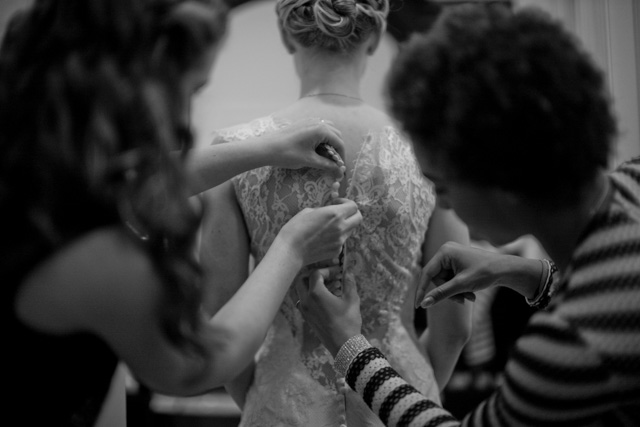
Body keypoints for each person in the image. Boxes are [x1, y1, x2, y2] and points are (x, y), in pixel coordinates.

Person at [2, 0, 362, 425]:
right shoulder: (97, 259)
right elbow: (194, 365)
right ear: (133, 89)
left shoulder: (32, 181)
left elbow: (142, 186)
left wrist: (268, 149)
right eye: (190, 90)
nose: (185, 112)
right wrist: (290, 248)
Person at [296, 4, 640, 426]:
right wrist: (526, 272)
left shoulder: (571, 344)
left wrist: (349, 344)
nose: (442, 205)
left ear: (505, 187)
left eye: (441, 185)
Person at [198, 0, 471, 425]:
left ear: (288, 36)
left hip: (282, 404)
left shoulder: (233, 155)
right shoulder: (433, 148)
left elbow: (219, 312)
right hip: (403, 396)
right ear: (377, 38)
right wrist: (421, 384)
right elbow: (455, 325)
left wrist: (261, 396)